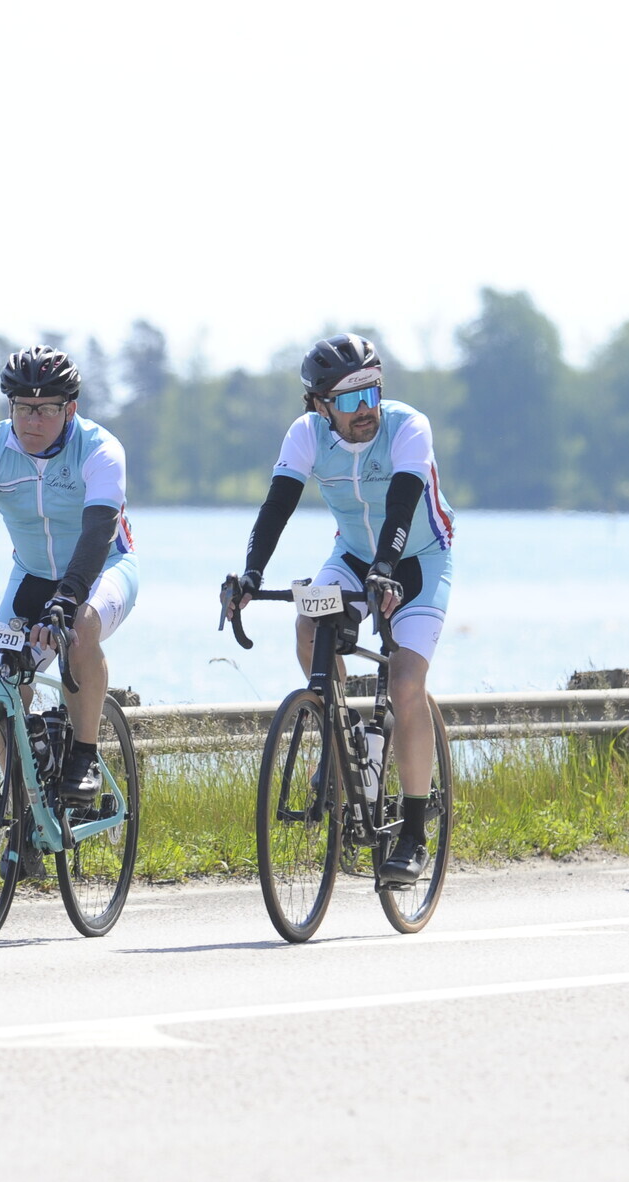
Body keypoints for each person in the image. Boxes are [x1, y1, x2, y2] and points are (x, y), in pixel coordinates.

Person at [229, 334, 455, 884]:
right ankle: (343, 740)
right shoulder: (306, 434)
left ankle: (414, 833)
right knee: (309, 623)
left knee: (405, 682)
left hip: (419, 559)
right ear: (319, 405)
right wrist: (251, 574)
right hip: (353, 556)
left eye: (371, 394)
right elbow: (277, 506)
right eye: (350, 400)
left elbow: (403, 503)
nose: (365, 410)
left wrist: (387, 567)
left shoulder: (408, 426)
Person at [0, 346, 138, 808]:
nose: (32, 420)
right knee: (4, 682)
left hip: (105, 568)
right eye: (23, 407)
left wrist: (67, 600)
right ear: (10, 406)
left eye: (47, 409)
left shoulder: (101, 449)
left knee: (80, 628)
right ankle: (23, 806)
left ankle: (84, 756)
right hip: (31, 575)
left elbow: (98, 533)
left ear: (71, 409)